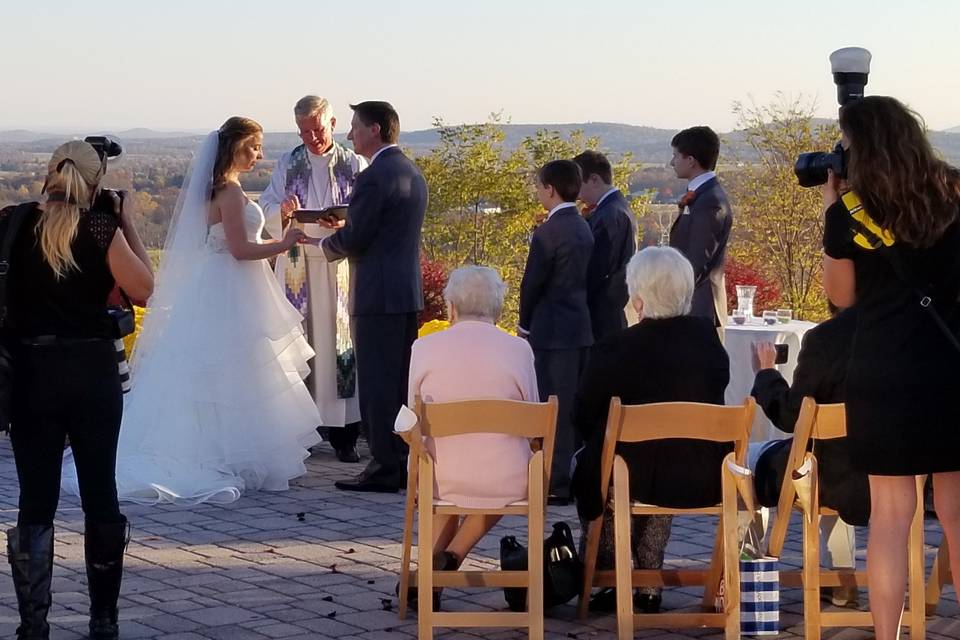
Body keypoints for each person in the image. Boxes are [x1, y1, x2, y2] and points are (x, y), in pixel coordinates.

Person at [63, 117, 322, 505]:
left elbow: (245, 239)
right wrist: (283, 245)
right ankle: (224, 453)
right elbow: (241, 250)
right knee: (233, 370)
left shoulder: (219, 191)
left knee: (228, 370)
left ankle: (231, 449)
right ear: (235, 147)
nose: (259, 154)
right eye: (254, 146)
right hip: (231, 287)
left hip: (223, 284)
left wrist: (282, 228)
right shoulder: (231, 194)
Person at [1, 140, 154, 640]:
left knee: (35, 500)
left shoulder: (13, 223)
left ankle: (33, 624)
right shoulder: (99, 226)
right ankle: (103, 619)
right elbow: (144, 288)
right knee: (100, 495)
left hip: (30, 372)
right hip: (91, 373)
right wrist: (125, 218)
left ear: (48, 175)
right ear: (94, 183)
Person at [821, 95, 960, 639]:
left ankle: (888, 635)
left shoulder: (849, 213)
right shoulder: (954, 193)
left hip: (885, 374)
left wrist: (834, 210)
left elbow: (842, 296)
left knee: (891, 518)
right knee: (956, 511)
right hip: (950, 368)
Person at [571, 246, 730, 613]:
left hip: (631, 477)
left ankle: (606, 575)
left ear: (638, 300)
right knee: (665, 451)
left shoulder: (616, 348)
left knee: (609, 463)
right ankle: (649, 582)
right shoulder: (707, 343)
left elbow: (583, 413)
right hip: (700, 475)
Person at [403, 266, 539, 609]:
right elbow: (535, 421)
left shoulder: (424, 347)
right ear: (497, 308)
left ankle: (428, 579)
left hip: (439, 474)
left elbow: (411, 413)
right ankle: (449, 557)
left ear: (451, 307)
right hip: (506, 478)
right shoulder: (519, 350)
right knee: (503, 478)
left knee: (443, 466)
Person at [319, 101, 428, 493]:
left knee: (378, 385)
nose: (350, 135)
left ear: (375, 130)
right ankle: (399, 458)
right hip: (404, 292)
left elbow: (359, 237)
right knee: (399, 383)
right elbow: (384, 220)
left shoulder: (373, 176)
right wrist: (349, 213)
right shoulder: (411, 172)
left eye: (355, 127)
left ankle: (383, 466)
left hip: (376, 294)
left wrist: (326, 246)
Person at [259, 96, 368, 463]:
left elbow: (367, 212)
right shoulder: (289, 162)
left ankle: (344, 435)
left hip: (338, 265)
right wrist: (282, 212)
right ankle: (301, 432)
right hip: (299, 262)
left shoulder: (354, 163)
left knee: (338, 344)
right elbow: (267, 207)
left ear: (333, 124)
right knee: (303, 342)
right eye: (304, 131)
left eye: (317, 129)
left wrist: (343, 221)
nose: (311, 137)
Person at [750, 305, 869, 607]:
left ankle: (748, 574)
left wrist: (766, 373)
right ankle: (843, 579)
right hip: (893, 478)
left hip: (829, 480)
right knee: (835, 459)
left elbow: (790, 415)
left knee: (740, 463)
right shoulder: (905, 332)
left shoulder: (827, 339)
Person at [518, 159, 593, 503]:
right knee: (570, 406)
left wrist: (523, 324)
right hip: (579, 326)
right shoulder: (583, 226)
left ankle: (555, 481)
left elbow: (532, 283)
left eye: (539, 186)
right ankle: (566, 474)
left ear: (550, 189)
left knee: (552, 406)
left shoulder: (549, 232)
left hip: (551, 331)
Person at [668, 126, 732, 335]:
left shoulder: (711, 201)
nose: (672, 162)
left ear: (691, 160)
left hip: (700, 310)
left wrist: (669, 296)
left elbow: (697, 259)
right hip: (690, 309)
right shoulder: (701, 195)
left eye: (675, 156)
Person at [573, 150, 636, 340]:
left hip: (604, 313)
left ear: (594, 179)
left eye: (578, 185)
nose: (576, 193)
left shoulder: (610, 215)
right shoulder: (612, 208)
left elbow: (598, 268)